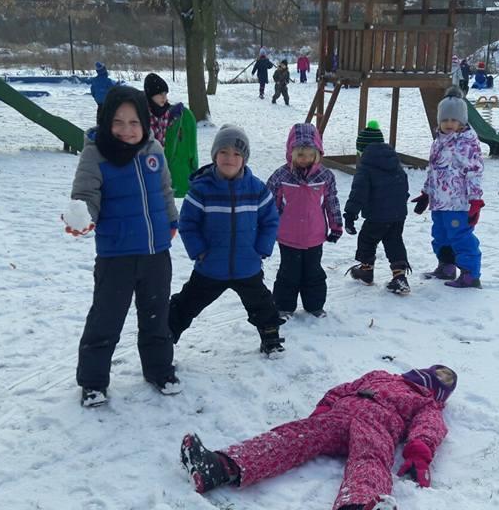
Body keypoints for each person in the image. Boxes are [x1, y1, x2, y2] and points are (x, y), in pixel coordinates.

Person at [180, 364, 458, 510]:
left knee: (370, 461)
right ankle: (221, 467)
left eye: (446, 380)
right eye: (441, 371)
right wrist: (325, 408)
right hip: (342, 413)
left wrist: (418, 454)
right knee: (294, 436)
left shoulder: (427, 403)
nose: (440, 377)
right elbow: (344, 389)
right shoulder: (380, 375)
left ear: (441, 393)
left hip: (379, 425)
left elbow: (429, 427)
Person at [68, 86, 180, 407]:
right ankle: (93, 382)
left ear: (144, 122)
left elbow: (165, 191)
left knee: (157, 316)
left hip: (156, 253)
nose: (127, 130)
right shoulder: (95, 154)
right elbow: (86, 196)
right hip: (116, 255)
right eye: (118, 122)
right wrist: (82, 217)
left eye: (134, 122)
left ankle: (159, 370)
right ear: (105, 122)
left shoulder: (153, 150)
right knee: (106, 319)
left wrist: (171, 221)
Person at [168, 125, 286, 356]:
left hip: (247, 265)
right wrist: (199, 251)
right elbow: (188, 224)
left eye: (236, 153)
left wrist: (261, 248)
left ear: (244, 158)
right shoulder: (201, 190)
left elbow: (270, 220)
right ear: (214, 155)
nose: (229, 158)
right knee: (186, 304)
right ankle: (165, 337)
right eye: (223, 152)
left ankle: (271, 337)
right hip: (210, 266)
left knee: (263, 304)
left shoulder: (257, 190)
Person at [265, 123, 342, 319]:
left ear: (317, 154)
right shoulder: (281, 176)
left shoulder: (325, 176)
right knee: (288, 273)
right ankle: (283, 306)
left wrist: (336, 226)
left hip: (314, 236)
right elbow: (269, 204)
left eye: (310, 155)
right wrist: (267, 229)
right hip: (288, 236)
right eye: (300, 155)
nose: (305, 160)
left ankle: (314, 305)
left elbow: (331, 201)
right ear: (291, 153)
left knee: (313, 273)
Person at [412, 87, 484, 288]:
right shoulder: (438, 142)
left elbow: (474, 172)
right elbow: (433, 170)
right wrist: (426, 193)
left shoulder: (467, 143)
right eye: (445, 120)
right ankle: (446, 267)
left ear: (462, 122)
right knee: (440, 235)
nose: (449, 124)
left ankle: (470, 274)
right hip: (439, 201)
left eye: (454, 120)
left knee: (461, 237)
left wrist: (475, 200)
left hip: (459, 203)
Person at [343, 121, 411, 295]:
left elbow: (358, 193)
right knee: (394, 241)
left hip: (377, 215)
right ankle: (399, 276)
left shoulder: (365, 167)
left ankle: (366, 270)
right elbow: (403, 184)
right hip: (397, 214)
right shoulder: (394, 162)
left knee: (367, 239)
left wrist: (350, 214)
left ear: (362, 149)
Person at [144, 72, 198, 198]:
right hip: (148, 160)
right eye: (160, 94)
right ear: (150, 95)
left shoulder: (167, 112)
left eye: (165, 94)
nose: (164, 97)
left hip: (164, 159)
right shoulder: (144, 113)